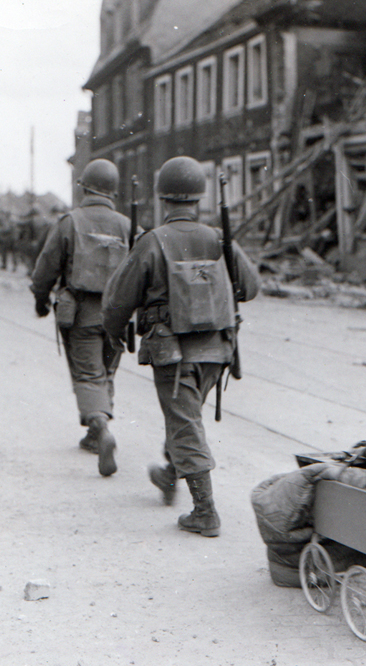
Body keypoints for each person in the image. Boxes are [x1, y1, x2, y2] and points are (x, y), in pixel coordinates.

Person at [102, 156, 260, 537]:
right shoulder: (218, 239)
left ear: (163, 199)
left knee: (185, 423)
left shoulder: (152, 241)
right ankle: (171, 474)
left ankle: (205, 512)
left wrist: (113, 331)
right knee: (186, 417)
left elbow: (118, 300)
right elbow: (250, 288)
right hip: (217, 353)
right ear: (199, 199)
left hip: (173, 353)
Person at [30, 159, 131, 477]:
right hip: (119, 315)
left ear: (84, 187)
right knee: (106, 371)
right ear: (113, 190)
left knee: (88, 375)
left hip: (83, 313)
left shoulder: (69, 221)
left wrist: (41, 300)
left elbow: (45, 268)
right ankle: (94, 432)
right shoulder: (129, 226)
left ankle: (100, 429)